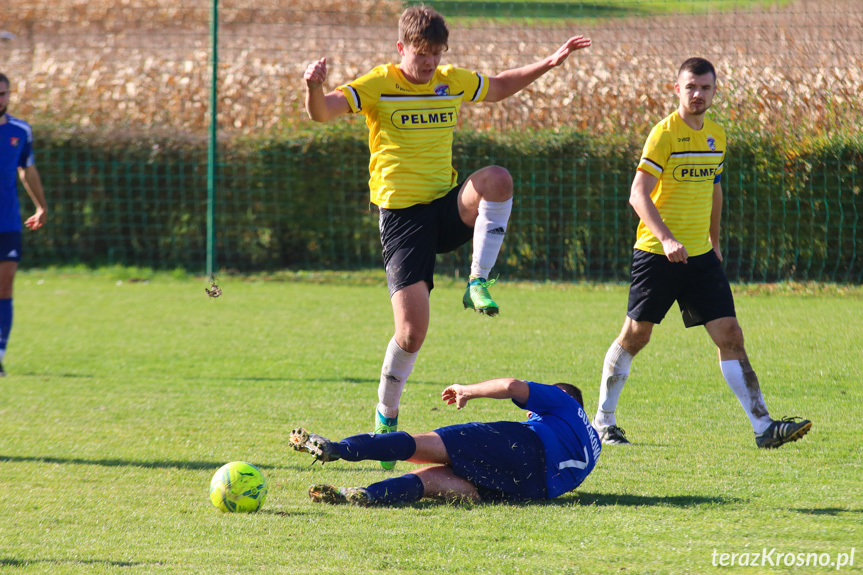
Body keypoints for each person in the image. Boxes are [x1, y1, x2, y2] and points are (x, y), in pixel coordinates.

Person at [303, 5, 592, 467]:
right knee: (411, 334)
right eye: (421, 55)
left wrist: (548, 63)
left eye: (436, 55)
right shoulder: (378, 84)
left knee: (497, 178)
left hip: (445, 207)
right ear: (401, 48)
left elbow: (497, 86)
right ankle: (386, 415)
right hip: (401, 218)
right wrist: (314, 87)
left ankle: (478, 281)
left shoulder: (450, 79)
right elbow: (322, 113)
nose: (429, 65)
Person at [592, 58, 811, 449]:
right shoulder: (664, 135)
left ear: (714, 91)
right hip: (657, 255)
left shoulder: (717, 136)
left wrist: (714, 239)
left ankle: (764, 427)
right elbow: (637, 194)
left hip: (700, 257)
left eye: (705, 88)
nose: (698, 94)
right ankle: (603, 421)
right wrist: (667, 239)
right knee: (636, 336)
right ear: (677, 89)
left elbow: (714, 188)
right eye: (691, 87)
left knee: (731, 336)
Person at [289, 378, 601, 506]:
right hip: (533, 491)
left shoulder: (563, 401)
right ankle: (359, 495)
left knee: (423, 444)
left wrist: (468, 390)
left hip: (525, 447)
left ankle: (335, 449)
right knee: (430, 482)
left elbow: (512, 386)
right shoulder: (594, 447)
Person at [0, 73, 48, 376]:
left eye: (3, 93)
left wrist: (41, 205)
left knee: (5, 286)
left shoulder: (20, 131)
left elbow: (26, 170)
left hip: (7, 223)